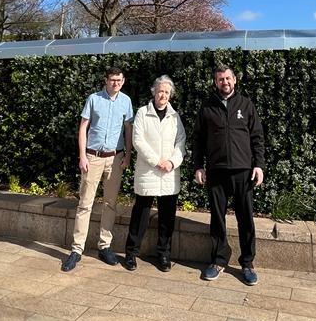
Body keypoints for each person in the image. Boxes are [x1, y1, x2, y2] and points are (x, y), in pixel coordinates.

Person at [193, 65, 265, 286]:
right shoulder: (207, 107)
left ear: (235, 80)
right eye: (220, 79)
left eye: (228, 78)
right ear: (215, 82)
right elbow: (198, 140)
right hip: (216, 171)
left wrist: (259, 165)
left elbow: (257, 137)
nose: (225, 82)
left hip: (243, 171)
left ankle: (247, 264)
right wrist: (198, 166)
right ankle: (218, 261)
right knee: (217, 219)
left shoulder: (246, 105)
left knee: (246, 219)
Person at [61, 67, 134, 272]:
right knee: (85, 203)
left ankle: (105, 246)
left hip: (115, 158)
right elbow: (83, 127)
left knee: (110, 203)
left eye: (119, 80)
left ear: (123, 81)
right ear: (106, 80)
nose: (115, 83)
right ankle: (77, 250)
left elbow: (128, 129)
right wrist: (82, 155)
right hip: (93, 157)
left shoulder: (126, 102)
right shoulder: (93, 99)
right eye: (112, 80)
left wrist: (128, 155)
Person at [123, 75, 186, 272]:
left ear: (170, 95)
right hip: (148, 172)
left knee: (167, 217)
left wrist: (172, 162)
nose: (163, 95)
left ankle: (164, 255)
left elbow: (181, 142)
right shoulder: (142, 113)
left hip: (168, 173)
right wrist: (156, 161)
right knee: (140, 214)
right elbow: (138, 140)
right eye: (160, 91)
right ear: (154, 91)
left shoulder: (175, 117)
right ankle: (131, 253)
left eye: (167, 92)